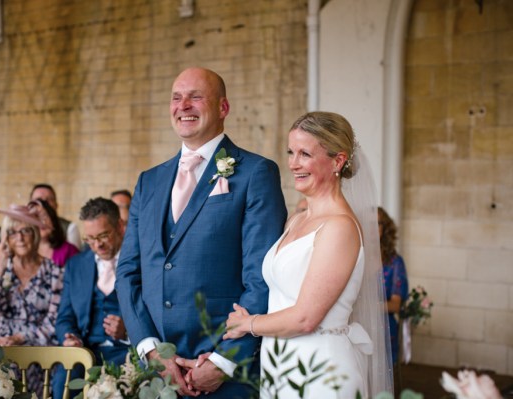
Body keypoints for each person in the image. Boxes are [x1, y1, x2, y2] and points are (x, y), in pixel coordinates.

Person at [115, 67, 287, 398]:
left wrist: (223, 362)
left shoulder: (255, 173)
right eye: (176, 98)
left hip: (222, 373)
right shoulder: (148, 181)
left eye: (196, 96)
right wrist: (151, 350)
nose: (184, 106)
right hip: (156, 375)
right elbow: (128, 272)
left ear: (223, 108)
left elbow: (263, 276)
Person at [223, 111, 392, 398]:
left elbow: (305, 318)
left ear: (338, 160)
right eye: (291, 152)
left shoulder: (340, 227)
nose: (293, 163)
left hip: (320, 368)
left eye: (305, 154)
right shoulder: (296, 220)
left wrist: (248, 324)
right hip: (281, 363)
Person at [0, 204, 64, 394]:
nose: (20, 238)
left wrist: (19, 338)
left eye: (26, 231)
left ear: (35, 233)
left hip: (37, 343)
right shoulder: (1, 269)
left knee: (15, 367)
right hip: (2, 341)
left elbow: (54, 323)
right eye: (13, 232)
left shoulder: (54, 272)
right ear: (5, 238)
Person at [53, 197, 129, 399]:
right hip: (86, 351)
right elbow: (64, 317)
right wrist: (68, 336)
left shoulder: (139, 263)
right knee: (63, 379)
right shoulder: (76, 265)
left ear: (120, 226)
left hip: (127, 352)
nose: (97, 245)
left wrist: (128, 331)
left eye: (103, 236)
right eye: (90, 239)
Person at [378, 206, 408, 365]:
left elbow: (395, 305)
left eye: (377, 223)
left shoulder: (395, 262)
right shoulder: (356, 255)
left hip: (384, 327)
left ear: (385, 228)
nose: (371, 227)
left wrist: (367, 307)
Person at [27, 199, 79, 268]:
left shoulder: (69, 250)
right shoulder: (24, 250)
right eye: (36, 217)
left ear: (53, 220)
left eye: (45, 215)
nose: (43, 222)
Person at [29, 184, 82, 249]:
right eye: (38, 200)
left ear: (56, 205)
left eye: (49, 200)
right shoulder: (23, 227)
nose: (43, 204)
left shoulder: (69, 228)